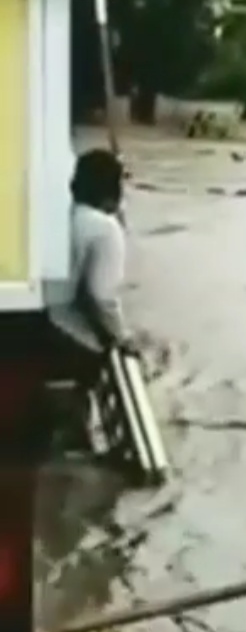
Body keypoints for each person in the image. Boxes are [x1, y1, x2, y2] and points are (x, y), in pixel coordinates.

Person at [46, 149, 135, 442]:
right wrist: (123, 338)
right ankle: (75, 431)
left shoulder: (59, 215)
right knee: (96, 354)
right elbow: (102, 296)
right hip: (57, 327)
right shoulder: (105, 229)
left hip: (31, 317)